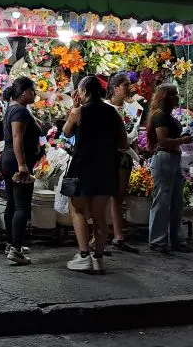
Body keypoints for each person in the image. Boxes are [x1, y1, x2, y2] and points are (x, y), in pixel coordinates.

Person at [63, 75, 127, 274]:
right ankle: (98, 257)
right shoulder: (112, 113)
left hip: (83, 166)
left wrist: (74, 109)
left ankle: (83, 256)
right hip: (105, 168)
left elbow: (66, 132)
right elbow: (123, 142)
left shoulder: (79, 111)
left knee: (78, 210)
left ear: (84, 92)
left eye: (80, 92)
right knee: (100, 215)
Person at [147, 84, 193, 253]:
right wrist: (182, 141)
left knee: (176, 202)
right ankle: (158, 241)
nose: (177, 98)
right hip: (164, 159)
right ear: (165, 97)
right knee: (162, 201)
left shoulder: (168, 116)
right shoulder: (161, 116)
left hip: (173, 158)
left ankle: (176, 239)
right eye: (173, 95)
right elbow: (163, 140)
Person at [1, 76, 41, 266]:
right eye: (33, 91)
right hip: (16, 161)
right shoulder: (20, 112)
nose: (35, 94)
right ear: (24, 92)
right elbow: (17, 137)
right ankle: (16, 249)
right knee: (22, 206)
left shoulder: (12, 109)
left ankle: (11, 243)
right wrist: (22, 164)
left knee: (12, 203)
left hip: (8, 160)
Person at [105, 73, 141, 253]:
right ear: (114, 87)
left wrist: (137, 153)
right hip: (106, 155)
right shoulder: (103, 108)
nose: (129, 88)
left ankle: (119, 236)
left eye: (129, 85)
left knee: (119, 196)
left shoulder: (134, 109)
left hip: (124, 155)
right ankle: (97, 235)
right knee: (101, 196)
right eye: (125, 85)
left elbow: (133, 137)